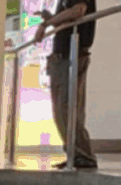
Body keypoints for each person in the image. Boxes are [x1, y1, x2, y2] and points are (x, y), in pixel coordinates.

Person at [34, 0, 97, 169]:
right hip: (63, 57)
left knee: (66, 108)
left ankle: (83, 155)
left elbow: (78, 11)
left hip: (71, 56)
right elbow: (69, 16)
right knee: (62, 109)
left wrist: (47, 23)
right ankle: (75, 154)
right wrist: (52, 18)